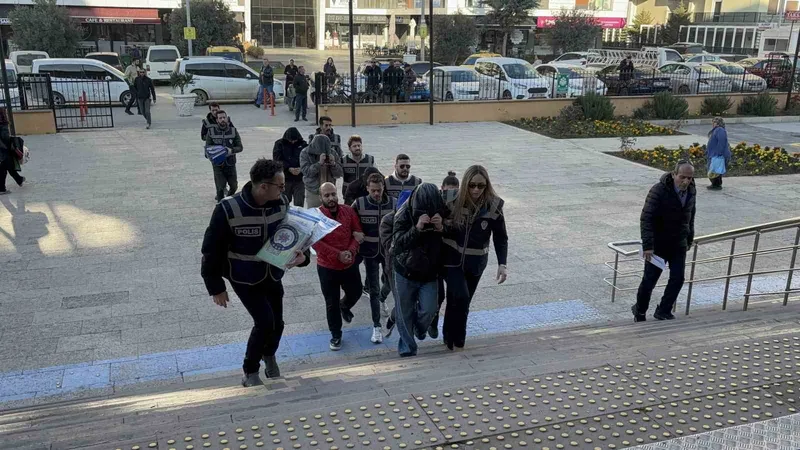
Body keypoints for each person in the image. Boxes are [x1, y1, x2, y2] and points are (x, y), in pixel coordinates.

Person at [202, 159, 309, 387]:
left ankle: (269, 355)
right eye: (280, 185)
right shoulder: (228, 209)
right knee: (264, 322)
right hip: (243, 277)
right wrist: (216, 287)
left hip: (272, 273)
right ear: (263, 187)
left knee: (278, 324)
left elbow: (292, 234)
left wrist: (303, 256)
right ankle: (250, 371)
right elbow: (211, 250)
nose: (284, 190)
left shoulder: (281, 202)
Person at [441, 166, 508, 350]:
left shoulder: (494, 205)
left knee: (462, 300)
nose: (476, 190)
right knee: (460, 296)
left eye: (481, 185)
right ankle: (457, 337)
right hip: (451, 260)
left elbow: (501, 236)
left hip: (476, 263)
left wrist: (502, 263)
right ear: (465, 184)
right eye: (472, 185)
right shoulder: (450, 199)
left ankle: (451, 337)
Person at [632, 160, 696, 322]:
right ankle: (640, 310)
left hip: (679, 243)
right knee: (649, 281)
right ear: (674, 174)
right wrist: (648, 245)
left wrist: (689, 238)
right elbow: (647, 218)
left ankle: (663, 310)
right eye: (682, 177)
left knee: (678, 278)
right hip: (658, 245)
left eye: (689, 178)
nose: (686, 181)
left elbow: (690, 216)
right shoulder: (658, 190)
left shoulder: (691, 190)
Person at [389, 183, 447, 357]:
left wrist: (442, 228)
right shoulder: (403, 213)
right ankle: (407, 347)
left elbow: (454, 234)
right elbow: (398, 245)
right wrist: (417, 228)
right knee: (404, 311)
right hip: (405, 270)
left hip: (430, 272)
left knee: (429, 309)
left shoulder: (443, 210)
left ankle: (420, 329)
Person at [313, 182, 363, 351]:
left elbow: (357, 233)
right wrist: (337, 254)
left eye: (333, 194)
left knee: (356, 291)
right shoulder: (317, 216)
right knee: (331, 303)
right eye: (327, 195)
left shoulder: (348, 211)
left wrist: (350, 250)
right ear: (320, 197)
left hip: (349, 263)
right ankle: (336, 334)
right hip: (327, 267)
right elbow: (316, 243)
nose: (331, 198)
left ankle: (345, 306)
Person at [353, 173, 397, 343]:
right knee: (373, 289)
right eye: (373, 191)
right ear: (367, 189)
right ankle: (376, 326)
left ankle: (382, 298)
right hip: (369, 252)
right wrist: (355, 233)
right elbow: (350, 222)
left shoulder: (394, 203)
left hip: (388, 252)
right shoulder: (359, 204)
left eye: (379, 190)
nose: (377, 194)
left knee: (391, 282)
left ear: (383, 187)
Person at [428, 171, 459, 339]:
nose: (451, 194)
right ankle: (433, 322)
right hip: (437, 257)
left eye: (455, 191)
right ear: (442, 189)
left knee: (454, 294)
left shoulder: (461, 207)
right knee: (439, 294)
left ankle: (449, 328)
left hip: (453, 257)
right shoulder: (436, 203)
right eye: (448, 191)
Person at [205, 110, 242, 202]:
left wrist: (231, 150)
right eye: (220, 118)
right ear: (217, 120)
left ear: (227, 118)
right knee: (220, 187)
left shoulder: (233, 131)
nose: (222, 120)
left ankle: (227, 200)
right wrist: (213, 155)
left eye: (224, 117)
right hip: (218, 165)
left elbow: (240, 147)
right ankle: (220, 204)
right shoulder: (211, 132)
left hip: (230, 163)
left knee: (234, 186)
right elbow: (207, 148)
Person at [300, 134, 343, 208]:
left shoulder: (333, 153)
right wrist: (319, 164)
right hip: (313, 191)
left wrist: (333, 164)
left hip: (330, 191)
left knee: (331, 213)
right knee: (314, 213)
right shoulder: (305, 153)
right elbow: (306, 172)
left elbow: (339, 174)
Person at [272, 127, 307, 206]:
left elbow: (306, 159)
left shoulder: (303, 145)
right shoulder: (279, 144)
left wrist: (301, 168)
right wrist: (288, 168)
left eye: (295, 140)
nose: (293, 142)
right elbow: (277, 160)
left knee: (299, 203)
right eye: (291, 140)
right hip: (285, 179)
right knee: (283, 203)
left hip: (299, 179)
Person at [0, 109, 23, 194]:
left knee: (6, 166)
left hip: (3, 149)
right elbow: (4, 138)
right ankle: (2, 188)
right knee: (4, 167)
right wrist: (8, 146)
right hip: (4, 149)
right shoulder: (3, 126)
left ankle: (19, 179)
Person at [705, 116, 730, 190]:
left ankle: (716, 185)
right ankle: (715, 184)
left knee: (715, 170)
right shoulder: (717, 130)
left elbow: (722, 142)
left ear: (718, 123)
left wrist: (718, 153)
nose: (713, 124)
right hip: (714, 154)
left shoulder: (720, 130)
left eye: (714, 122)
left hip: (717, 155)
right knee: (714, 170)